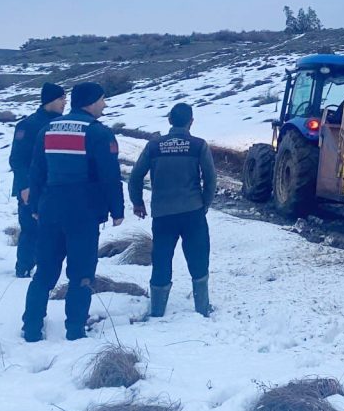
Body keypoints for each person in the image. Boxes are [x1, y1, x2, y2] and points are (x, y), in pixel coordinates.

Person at [21, 82, 125, 342]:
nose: (105, 104)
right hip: (83, 212)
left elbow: (36, 171)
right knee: (81, 273)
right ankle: (75, 329)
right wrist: (116, 209)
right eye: (102, 99)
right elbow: (109, 176)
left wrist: (35, 206)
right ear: (90, 102)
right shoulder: (98, 133)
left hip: (50, 209)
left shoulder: (47, 129)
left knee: (44, 271)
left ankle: (32, 328)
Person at [129, 103, 217, 318]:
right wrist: (204, 203)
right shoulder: (198, 145)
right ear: (191, 122)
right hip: (192, 211)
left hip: (163, 214)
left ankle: (158, 310)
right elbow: (211, 178)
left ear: (169, 120)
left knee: (161, 258)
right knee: (198, 257)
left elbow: (135, 176)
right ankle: (202, 307)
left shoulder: (154, 146)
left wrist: (138, 202)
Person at [8, 83, 66, 278]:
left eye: (64, 98)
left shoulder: (65, 124)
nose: (64, 102)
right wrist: (24, 186)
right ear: (48, 100)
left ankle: (47, 267)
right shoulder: (28, 125)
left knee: (54, 230)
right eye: (60, 98)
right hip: (31, 187)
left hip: (56, 186)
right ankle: (23, 267)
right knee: (30, 229)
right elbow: (17, 159)